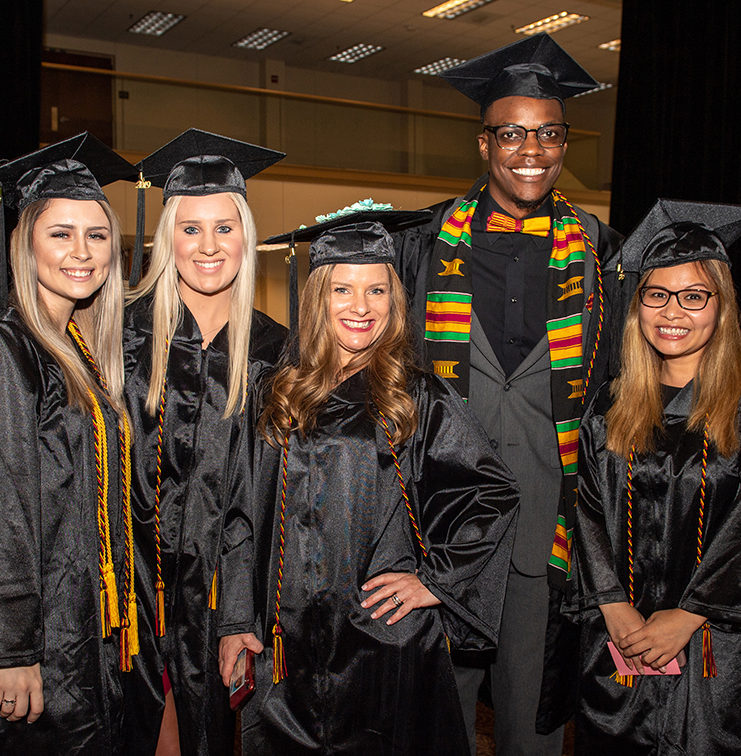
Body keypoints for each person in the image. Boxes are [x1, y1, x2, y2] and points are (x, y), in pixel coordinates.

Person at [392, 32, 624, 755]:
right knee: (440, 719)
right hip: (442, 523)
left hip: (546, 526)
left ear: (564, 143)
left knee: (532, 725)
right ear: (484, 143)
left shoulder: (598, 251)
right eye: (513, 133)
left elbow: (620, 387)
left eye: (549, 133)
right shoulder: (424, 246)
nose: (533, 149)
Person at [218, 211, 521, 755]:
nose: (360, 307)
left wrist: (436, 582)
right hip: (285, 647)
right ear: (317, 298)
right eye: (343, 289)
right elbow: (240, 513)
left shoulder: (416, 397)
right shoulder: (274, 393)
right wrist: (237, 618)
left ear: (394, 300)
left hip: (384, 644)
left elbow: (491, 494)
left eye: (376, 289)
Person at [122, 129, 287, 756]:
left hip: (229, 600)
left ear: (247, 237)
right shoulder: (125, 337)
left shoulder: (277, 351)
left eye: (225, 226)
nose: (209, 246)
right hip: (135, 590)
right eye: (190, 228)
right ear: (168, 239)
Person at [572, 199, 741, 755]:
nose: (673, 312)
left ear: (721, 307)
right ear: (638, 304)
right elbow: (589, 509)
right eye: (657, 294)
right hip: (619, 638)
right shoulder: (610, 405)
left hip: (716, 647)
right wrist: (611, 603)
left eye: (694, 296)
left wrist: (691, 613)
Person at [0, 133, 136, 754]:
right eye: (61, 233)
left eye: (97, 235)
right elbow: (1, 505)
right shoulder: (7, 347)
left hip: (82, 627)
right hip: (39, 640)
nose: (82, 252)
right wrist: (10, 649)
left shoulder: (75, 346)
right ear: (26, 245)